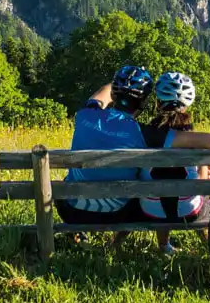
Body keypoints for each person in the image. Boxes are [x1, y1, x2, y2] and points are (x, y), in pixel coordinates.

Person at [56, 65, 153, 225]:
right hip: (120, 215)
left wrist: (122, 81)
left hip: (74, 212)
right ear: (144, 101)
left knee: (65, 182)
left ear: (114, 94)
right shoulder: (142, 133)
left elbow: (101, 94)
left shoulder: (84, 115)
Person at [139, 72, 210, 249]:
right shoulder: (188, 136)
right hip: (189, 211)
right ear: (188, 104)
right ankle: (209, 245)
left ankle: (163, 245)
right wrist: (206, 169)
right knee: (198, 190)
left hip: (151, 209)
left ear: (157, 102)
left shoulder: (147, 132)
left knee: (161, 186)